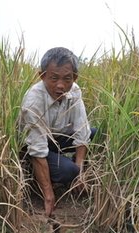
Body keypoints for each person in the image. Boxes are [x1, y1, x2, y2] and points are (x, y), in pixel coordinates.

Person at [19, 47, 96, 217]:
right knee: (68, 171)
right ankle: (35, 176)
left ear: (74, 78)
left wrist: (80, 171)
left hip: (55, 139)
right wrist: (48, 195)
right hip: (32, 147)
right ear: (42, 75)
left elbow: (82, 129)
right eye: (54, 78)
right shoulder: (34, 100)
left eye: (67, 79)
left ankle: (74, 175)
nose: (60, 85)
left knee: (93, 133)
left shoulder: (74, 90)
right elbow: (37, 149)